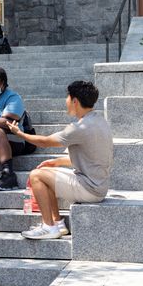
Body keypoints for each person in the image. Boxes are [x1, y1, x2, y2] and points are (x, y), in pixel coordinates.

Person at [7, 80, 114, 240]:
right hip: (98, 186)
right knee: (44, 173)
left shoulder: (80, 128)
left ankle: (48, 227)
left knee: (36, 175)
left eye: (67, 97)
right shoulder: (99, 121)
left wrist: (19, 133)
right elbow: (88, 157)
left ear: (74, 101)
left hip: (89, 188)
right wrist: (55, 162)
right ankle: (58, 224)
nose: (66, 101)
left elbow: (45, 141)